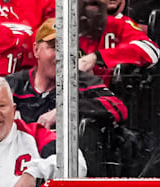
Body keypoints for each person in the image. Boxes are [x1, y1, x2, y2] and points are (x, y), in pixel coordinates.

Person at [7, 20, 127, 176]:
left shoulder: (83, 81)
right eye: (54, 46)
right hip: (14, 173)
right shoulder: (13, 85)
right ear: (36, 50)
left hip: (68, 176)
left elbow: (118, 108)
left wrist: (65, 109)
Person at [76, 0, 159, 85]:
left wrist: (98, 57)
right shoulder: (54, 26)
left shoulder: (119, 25)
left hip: (106, 102)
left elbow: (151, 51)